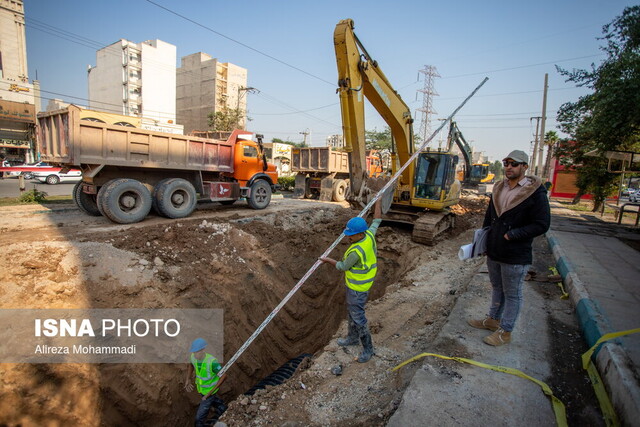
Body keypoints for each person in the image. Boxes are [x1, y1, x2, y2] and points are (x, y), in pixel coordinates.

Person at [468, 150, 550, 346]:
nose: (509, 167)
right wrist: (484, 241)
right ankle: (493, 320)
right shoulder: (498, 188)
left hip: (515, 253)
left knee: (513, 293)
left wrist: (513, 234)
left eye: (514, 164)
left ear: (524, 167)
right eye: (506, 163)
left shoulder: (534, 193)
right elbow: (490, 218)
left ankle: (505, 331)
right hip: (495, 249)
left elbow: (542, 224)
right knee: (497, 287)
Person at [320, 199, 382, 363]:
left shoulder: (356, 251)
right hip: (360, 284)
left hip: (357, 287)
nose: (348, 237)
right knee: (352, 312)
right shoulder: (369, 235)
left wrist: (327, 260)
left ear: (360, 234)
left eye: (351, 235)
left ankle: (368, 349)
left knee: (358, 317)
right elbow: (376, 220)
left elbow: (342, 266)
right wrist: (378, 202)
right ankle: (352, 338)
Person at [184, 338, 227, 427]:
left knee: (198, 419)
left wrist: (210, 393)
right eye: (194, 352)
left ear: (203, 350)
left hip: (209, 393)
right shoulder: (193, 357)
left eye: (197, 352)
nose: (195, 354)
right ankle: (223, 409)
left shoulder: (212, 362)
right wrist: (188, 379)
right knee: (216, 403)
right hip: (202, 391)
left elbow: (224, 376)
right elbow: (191, 365)